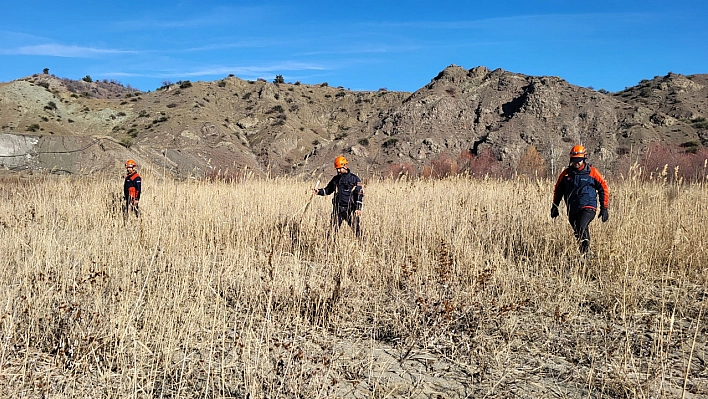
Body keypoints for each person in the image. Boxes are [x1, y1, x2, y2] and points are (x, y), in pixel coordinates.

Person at [551, 145, 609, 253]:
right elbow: (558, 190)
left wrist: (604, 207)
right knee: (578, 232)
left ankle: (586, 253)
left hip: (588, 206)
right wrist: (555, 206)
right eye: (573, 160)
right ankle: (584, 256)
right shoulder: (566, 174)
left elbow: (603, 188)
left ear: (584, 159)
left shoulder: (592, 172)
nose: (576, 163)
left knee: (581, 225)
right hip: (572, 208)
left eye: (578, 160)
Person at [314, 156, 364, 237]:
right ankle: (330, 248)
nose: (338, 170)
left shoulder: (354, 179)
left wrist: (358, 208)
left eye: (339, 168)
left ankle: (363, 247)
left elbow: (359, 194)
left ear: (345, 166)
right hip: (338, 210)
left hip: (351, 210)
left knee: (357, 232)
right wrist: (319, 191)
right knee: (331, 233)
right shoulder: (336, 179)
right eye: (337, 169)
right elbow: (328, 190)